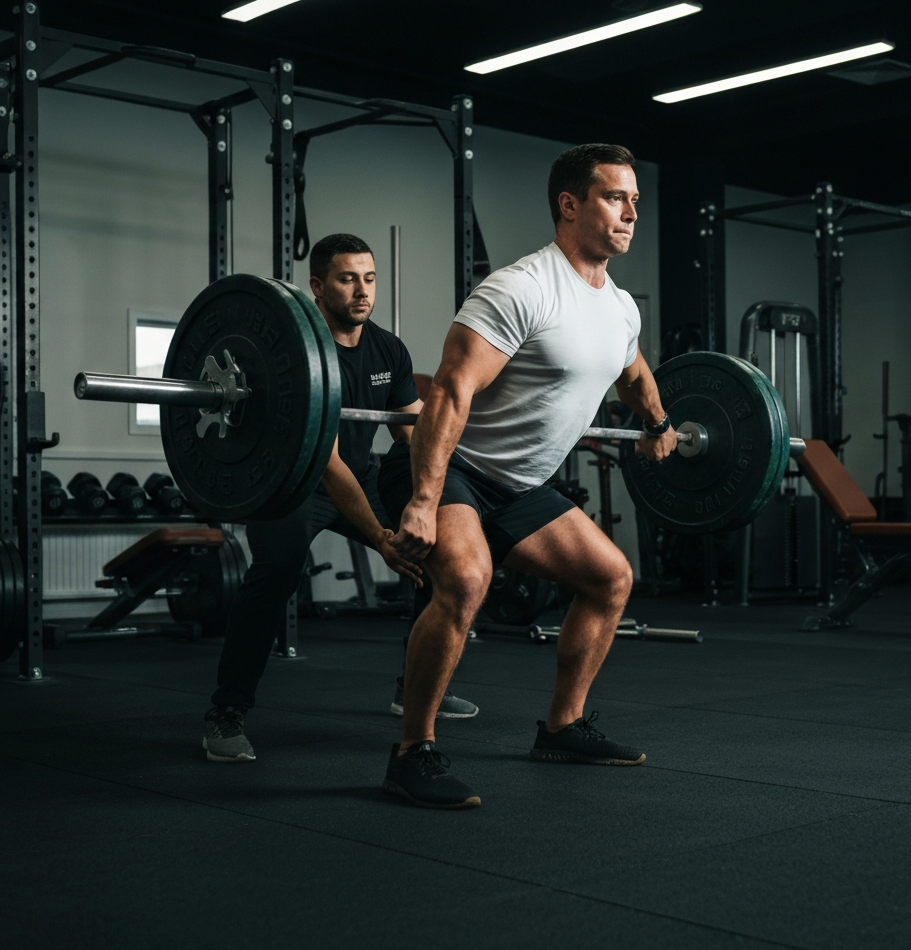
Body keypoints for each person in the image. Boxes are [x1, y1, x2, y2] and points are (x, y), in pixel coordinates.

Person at [377, 144, 679, 809]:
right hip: (452, 466)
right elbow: (452, 390)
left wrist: (658, 421)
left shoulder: (620, 307)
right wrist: (424, 501)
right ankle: (412, 751)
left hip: (516, 486)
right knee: (466, 579)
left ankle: (562, 727)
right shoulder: (522, 288)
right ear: (569, 205)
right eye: (613, 198)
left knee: (611, 577)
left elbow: (631, 371)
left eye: (636, 200)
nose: (631, 213)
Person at [203, 234, 479, 762]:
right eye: (347, 279)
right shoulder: (296, 353)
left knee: (440, 548)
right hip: (294, 485)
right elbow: (325, 463)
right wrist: (380, 538)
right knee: (275, 573)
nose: (361, 291)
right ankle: (226, 711)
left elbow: (412, 431)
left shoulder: (387, 349)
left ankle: (415, 686)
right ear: (317, 286)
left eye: (369, 279)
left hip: (363, 473)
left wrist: (436, 485)